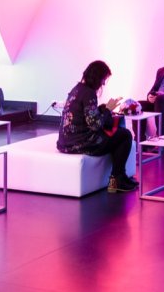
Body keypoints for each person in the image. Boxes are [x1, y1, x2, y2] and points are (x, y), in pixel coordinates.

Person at [56, 59, 139, 193]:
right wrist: (108, 110)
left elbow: (86, 115)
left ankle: (120, 177)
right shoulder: (89, 93)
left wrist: (102, 109)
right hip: (80, 143)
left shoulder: (77, 89)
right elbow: (95, 125)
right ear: (97, 77)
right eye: (103, 79)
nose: (103, 83)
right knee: (124, 135)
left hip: (66, 141)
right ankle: (117, 179)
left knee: (117, 136)